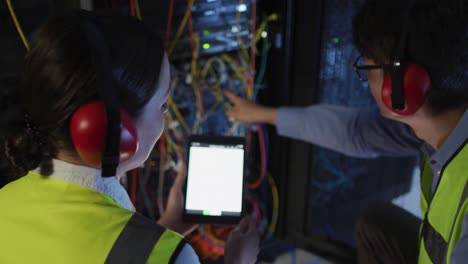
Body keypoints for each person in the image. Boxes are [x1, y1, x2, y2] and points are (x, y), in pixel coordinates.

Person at [0, 10, 259, 264]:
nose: (165, 122)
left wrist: (165, 228)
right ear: (115, 129)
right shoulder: (173, 257)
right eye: (163, 106)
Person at [225, 0, 467, 263]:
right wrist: (261, 114)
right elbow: (354, 132)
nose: (364, 82)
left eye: (367, 69)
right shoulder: (441, 120)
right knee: (376, 222)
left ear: (402, 87)